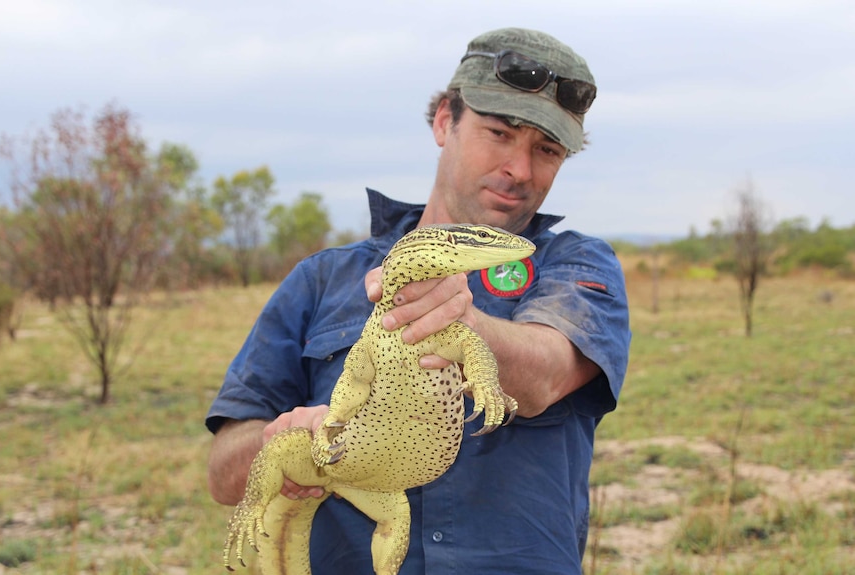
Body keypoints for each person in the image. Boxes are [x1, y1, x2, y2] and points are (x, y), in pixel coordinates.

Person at [206, 27, 631, 575]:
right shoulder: (321, 279)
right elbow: (222, 474)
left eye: (547, 150)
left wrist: (463, 323)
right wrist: (286, 445)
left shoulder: (576, 266)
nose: (520, 170)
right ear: (443, 121)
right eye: (499, 133)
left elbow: (546, 372)